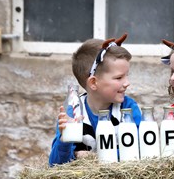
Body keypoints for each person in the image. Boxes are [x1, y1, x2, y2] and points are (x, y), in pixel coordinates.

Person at [49, 33, 142, 166]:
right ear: (93, 82)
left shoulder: (128, 109)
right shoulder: (74, 113)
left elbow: (140, 150)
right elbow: (55, 165)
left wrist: (96, 158)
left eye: (127, 76)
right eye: (119, 78)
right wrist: (64, 141)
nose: (127, 83)